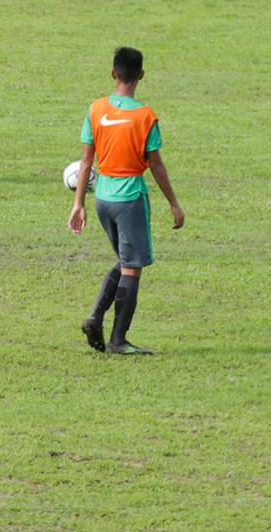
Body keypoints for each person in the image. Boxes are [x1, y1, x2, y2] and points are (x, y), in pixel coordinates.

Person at [67, 47, 184, 355]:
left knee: (125, 260)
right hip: (130, 198)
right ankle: (118, 341)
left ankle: (96, 317)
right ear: (141, 75)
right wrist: (174, 203)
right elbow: (155, 164)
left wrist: (78, 204)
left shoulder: (96, 109)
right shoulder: (145, 117)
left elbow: (86, 161)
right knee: (132, 267)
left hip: (102, 197)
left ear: (113, 73)